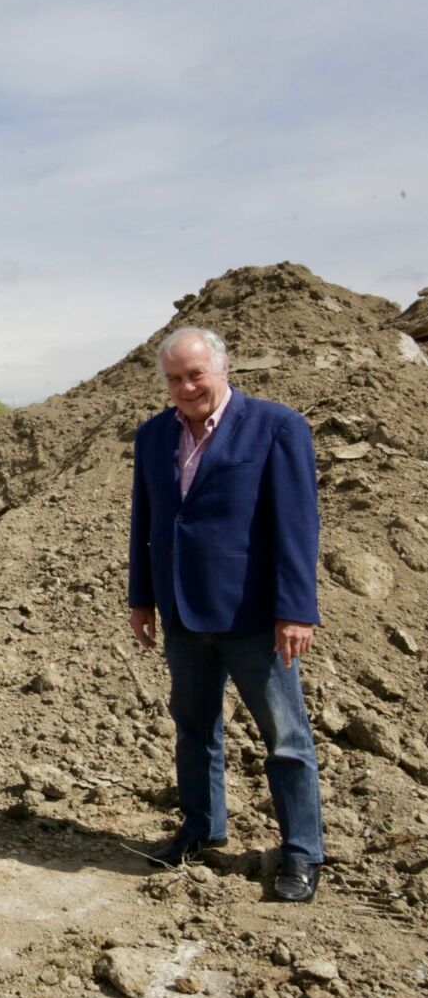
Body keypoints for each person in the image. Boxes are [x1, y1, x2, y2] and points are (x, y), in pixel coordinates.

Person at [129, 326, 325, 902]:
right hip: (182, 613)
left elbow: (296, 524)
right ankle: (200, 828)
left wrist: (295, 610)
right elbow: (148, 523)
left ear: (223, 368)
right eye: (174, 378)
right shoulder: (152, 436)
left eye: (196, 374)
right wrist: (143, 597)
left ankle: (302, 853)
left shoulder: (276, 426)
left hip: (254, 615)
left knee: (285, 738)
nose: (187, 387)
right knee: (194, 728)